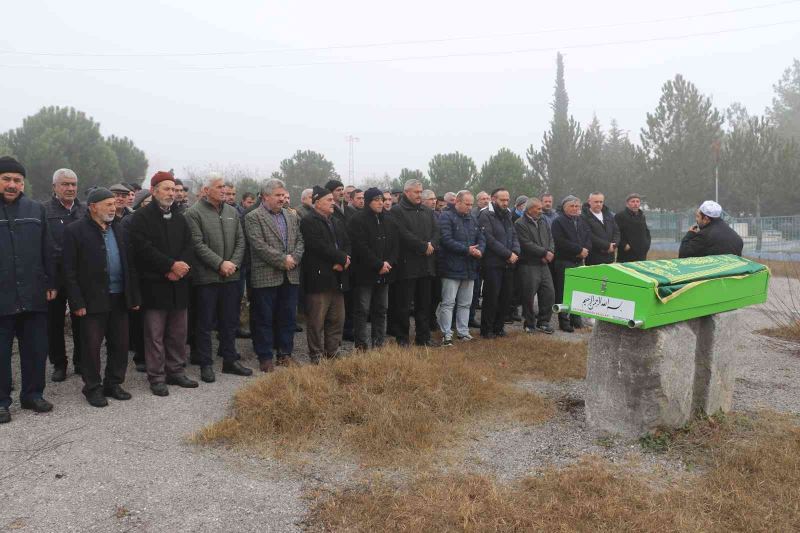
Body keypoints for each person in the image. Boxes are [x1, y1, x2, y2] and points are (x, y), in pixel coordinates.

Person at [63, 188, 140, 407]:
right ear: (93, 207)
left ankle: (113, 383)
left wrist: (133, 297)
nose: (113, 208)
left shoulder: (120, 229)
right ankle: (93, 388)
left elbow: (130, 265)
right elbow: (68, 271)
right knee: (91, 346)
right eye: (108, 204)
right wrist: (76, 302)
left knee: (120, 343)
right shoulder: (75, 231)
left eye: (114, 204)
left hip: (119, 297)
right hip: (91, 300)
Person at [128, 172, 198, 396]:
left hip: (179, 285)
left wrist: (181, 268)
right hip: (155, 285)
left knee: (178, 333)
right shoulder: (141, 217)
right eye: (166, 189)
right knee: (155, 335)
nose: (171, 193)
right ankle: (157, 376)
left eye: (173, 189)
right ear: (154, 191)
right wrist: (169, 267)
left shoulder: (180, 216)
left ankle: (175, 371)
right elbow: (142, 249)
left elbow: (189, 244)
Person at [0, 157, 56, 423]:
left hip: (34, 294)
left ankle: (33, 394)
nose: (12, 185)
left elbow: (48, 248)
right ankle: (1, 401)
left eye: (17, 180)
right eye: (6, 179)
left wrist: (51, 282)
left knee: (35, 349)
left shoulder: (36, 209)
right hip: (2, 296)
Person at [185, 173, 252, 383]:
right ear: (206, 190)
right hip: (207, 278)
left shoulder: (232, 211)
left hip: (231, 277)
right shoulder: (193, 213)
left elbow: (241, 241)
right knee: (205, 323)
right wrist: (219, 263)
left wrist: (232, 263)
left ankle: (230, 360)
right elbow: (197, 244)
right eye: (219, 186)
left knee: (230, 321)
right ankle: (206, 364)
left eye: (225, 186)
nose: (224, 190)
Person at [244, 179, 304, 372]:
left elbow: (300, 240)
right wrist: (282, 260)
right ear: (266, 196)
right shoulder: (254, 217)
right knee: (264, 318)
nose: (281, 199)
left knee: (287, 317)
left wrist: (294, 257)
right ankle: (265, 356)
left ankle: (285, 354)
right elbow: (258, 244)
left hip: (290, 274)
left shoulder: (291, 215)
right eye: (277, 195)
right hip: (266, 275)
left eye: (282, 195)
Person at [300, 186, 351, 363]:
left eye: (332, 200)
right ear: (317, 202)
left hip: (338, 277)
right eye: (328, 200)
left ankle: (333, 351)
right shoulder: (308, 221)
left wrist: (344, 258)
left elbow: (346, 242)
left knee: (337, 318)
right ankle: (316, 354)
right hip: (319, 277)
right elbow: (318, 246)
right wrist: (341, 258)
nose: (333, 203)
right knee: (316, 320)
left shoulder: (336, 221)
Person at [45, 168, 87, 382]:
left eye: (73, 184)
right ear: (55, 187)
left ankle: (81, 361)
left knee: (82, 319)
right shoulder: (44, 211)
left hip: (81, 277)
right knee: (54, 322)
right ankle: (59, 364)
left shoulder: (85, 210)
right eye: (65, 184)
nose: (70, 188)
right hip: (55, 276)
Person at [347, 187, 398, 350]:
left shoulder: (389, 219)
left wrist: (388, 262)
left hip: (385, 273)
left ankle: (379, 343)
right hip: (365, 273)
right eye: (376, 200)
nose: (380, 203)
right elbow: (360, 246)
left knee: (381, 309)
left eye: (382, 200)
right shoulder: (357, 220)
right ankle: (361, 344)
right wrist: (378, 264)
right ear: (368, 201)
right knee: (362, 309)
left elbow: (395, 245)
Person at [391, 179, 439, 347]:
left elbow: (436, 231)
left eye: (421, 192)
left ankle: (423, 337)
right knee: (404, 305)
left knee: (424, 304)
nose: (420, 195)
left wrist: (432, 244)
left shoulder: (427, 211)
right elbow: (402, 233)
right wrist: (422, 246)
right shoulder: (397, 211)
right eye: (416, 192)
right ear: (407, 192)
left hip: (426, 265)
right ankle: (402, 338)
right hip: (407, 265)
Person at [437, 190, 485, 345]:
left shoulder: (472, 218)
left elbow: (481, 238)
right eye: (467, 204)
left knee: (465, 303)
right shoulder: (446, 216)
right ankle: (446, 333)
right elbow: (445, 240)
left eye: (471, 204)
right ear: (457, 202)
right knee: (448, 302)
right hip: (451, 267)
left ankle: (463, 332)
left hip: (470, 267)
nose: (470, 207)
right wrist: (467, 250)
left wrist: (480, 251)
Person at [478, 188, 520, 338]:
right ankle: (487, 329)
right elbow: (489, 239)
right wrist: (508, 254)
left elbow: (514, 234)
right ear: (493, 199)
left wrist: (515, 251)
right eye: (502, 200)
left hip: (509, 263)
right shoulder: (485, 214)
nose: (505, 203)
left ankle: (499, 327)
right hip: (493, 263)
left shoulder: (508, 214)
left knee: (505, 297)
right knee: (491, 297)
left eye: (507, 200)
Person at [515, 197, 555, 334]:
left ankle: (544, 322)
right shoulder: (520, 223)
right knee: (529, 295)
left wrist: (550, 251)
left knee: (549, 293)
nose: (541, 211)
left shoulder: (543, 221)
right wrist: (544, 252)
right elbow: (525, 243)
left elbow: (550, 238)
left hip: (544, 265)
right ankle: (529, 323)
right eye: (538, 208)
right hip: (529, 264)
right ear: (530, 209)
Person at [551, 195, 592, 333]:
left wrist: (585, 250)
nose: (575, 209)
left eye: (577, 206)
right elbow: (560, 241)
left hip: (579, 261)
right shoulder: (558, 222)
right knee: (563, 292)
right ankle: (564, 321)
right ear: (564, 207)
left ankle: (576, 319)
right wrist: (579, 250)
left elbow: (588, 237)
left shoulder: (582, 220)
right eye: (572, 206)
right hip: (564, 261)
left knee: (578, 291)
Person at [679, 200, 744, 258]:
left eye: (698, 216)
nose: (696, 219)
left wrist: (690, 234)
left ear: (706, 219)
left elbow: (683, 254)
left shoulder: (704, 235)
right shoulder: (736, 237)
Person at [581, 192, 620, 265]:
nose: (598, 204)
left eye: (601, 202)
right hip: (594, 258)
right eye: (596, 202)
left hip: (610, 257)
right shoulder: (584, 217)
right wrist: (607, 246)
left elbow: (616, 231)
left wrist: (614, 245)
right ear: (589, 201)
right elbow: (589, 235)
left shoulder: (608, 215)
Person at [615, 193, 651, 262]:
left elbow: (646, 232)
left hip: (641, 254)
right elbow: (616, 232)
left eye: (637, 201)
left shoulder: (642, 216)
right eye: (633, 201)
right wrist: (623, 245)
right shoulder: (620, 216)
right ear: (627, 203)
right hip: (626, 255)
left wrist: (647, 245)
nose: (635, 203)